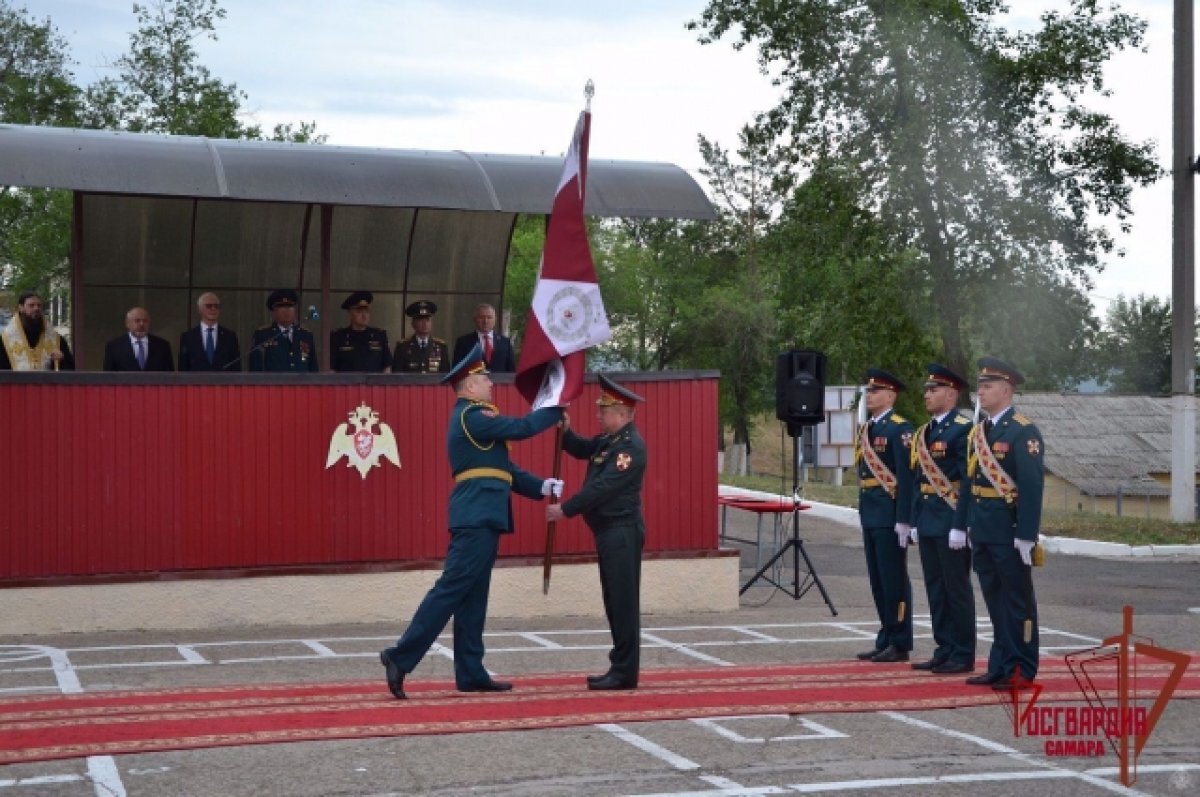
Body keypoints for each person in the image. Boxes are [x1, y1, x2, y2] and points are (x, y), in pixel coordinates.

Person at [379, 342, 564, 699]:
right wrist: (555, 408)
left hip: (484, 514)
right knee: (451, 589)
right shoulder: (471, 416)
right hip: (477, 515)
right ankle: (400, 656)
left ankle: (470, 671)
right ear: (468, 386)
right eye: (484, 378)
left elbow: (503, 467)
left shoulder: (477, 418)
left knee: (472, 598)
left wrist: (541, 485)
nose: (491, 383)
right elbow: (523, 427)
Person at [547, 375, 647, 691]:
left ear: (620, 413)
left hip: (621, 531)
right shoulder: (610, 441)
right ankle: (619, 667)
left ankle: (625, 672)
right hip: (608, 532)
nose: (599, 416)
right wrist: (565, 429)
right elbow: (581, 448)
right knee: (613, 599)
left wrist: (566, 509)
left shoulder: (630, 448)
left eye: (603, 412)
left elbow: (602, 489)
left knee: (623, 602)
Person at [957, 356, 1045, 689]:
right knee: (994, 600)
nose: (980, 391)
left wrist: (1026, 535)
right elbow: (970, 481)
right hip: (983, 529)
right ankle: (1000, 663)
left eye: (987, 386)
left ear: (1006, 390)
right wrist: (964, 523)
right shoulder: (981, 432)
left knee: (1016, 602)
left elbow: (1032, 487)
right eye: (979, 385)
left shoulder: (1023, 430)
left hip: (1009, 532)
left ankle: (1021, 667)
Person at [908, 364, 975, 675]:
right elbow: (918, 481)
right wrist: (912, 521)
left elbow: (967, 481)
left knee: (956, 589)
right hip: (928, 519)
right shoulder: (926, 432)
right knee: (935, 588)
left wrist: (961, 525)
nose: (927, 394)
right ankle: (943, 647)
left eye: (934, 390)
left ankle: (962, 653)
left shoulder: (963, 428)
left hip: (950, 520)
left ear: (951, 393)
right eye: (927, 389)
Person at [853, 368, 915, 663]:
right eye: (868, 391)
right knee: (878, 580)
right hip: (871, 513)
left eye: (875, 391)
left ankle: (900, 641)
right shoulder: (868, 429)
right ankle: (886, 635)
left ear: (891, 396)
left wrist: (905, 519)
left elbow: (906, 477)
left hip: (890, 516)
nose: (869, 395)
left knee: (894, 580)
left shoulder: (900, 430)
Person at [0, 292, 74, 370]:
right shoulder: (5, 340)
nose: (36, 308)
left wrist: (62, 360)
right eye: (31, 305)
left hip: (47, 382)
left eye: (39, 305)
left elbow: (70, 370)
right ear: (21, 308)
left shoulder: (57, 340)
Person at [249, 289, 318, 372]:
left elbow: (313, 367)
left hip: (301, 384)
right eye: (281, 307)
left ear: (295, 310)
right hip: (273, 384)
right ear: (273, 311)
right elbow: (255, 368)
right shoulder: (263, 335)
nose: (287, 310)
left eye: (290, 306)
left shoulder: (306, 335)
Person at [329, 291, 392, 373]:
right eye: (359, 312)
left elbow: (387, 367)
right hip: (348, 384)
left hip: (373, 385)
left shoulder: (379, 335)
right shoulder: (338, 336)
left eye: (366, 311)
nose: (364, 316)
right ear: (350, 314)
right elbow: (332, 369)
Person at [178, 292, 241, 371]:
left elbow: (236, 367)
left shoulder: (230, 336)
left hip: (223, 382)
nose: (213, 309)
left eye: (216, 306)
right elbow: (183, 368)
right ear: (199, 309)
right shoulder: (187, 337)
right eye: (209, 306)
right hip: (196, 382)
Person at [102, 307, 174, 372]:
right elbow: (108, 377)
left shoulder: (162, 346)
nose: (142, 324)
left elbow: (170, 376)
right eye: (137, 321)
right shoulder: (114, 346)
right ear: (127, 323)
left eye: (145, 321)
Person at [452, 302, 515, 372]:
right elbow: (457, 371)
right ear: (475, 319)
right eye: (482, 317)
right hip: (473, 382)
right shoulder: (463, 342)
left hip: (499, 382)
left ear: (495, 320)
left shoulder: (505, 343)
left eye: (489, 317)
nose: (485, 321)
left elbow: (511, 370)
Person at [393, 300, 450, 373]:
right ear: (413, 324)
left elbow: (445, 374)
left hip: (433, 384)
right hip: (411, 384)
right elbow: (397, 375)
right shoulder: (402, 347)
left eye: (427, 320)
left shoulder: (441, 346)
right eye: (420, 320)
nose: (425, 324)